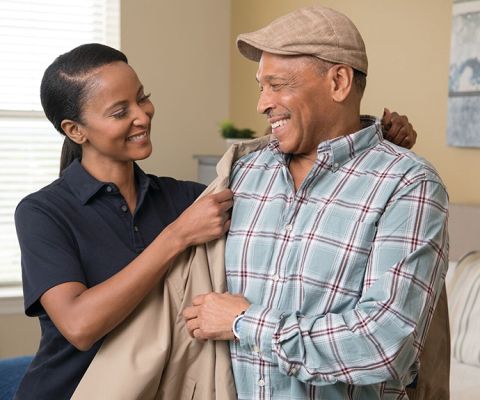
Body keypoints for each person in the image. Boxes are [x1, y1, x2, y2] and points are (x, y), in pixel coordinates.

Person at [183, 5, 448, 399]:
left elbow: (384, 344)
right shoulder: (242, 173)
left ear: (338, 82)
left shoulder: (408, 185)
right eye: (261, 86)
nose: (261, 104)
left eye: (277, 84)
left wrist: (244, 322)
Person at [13, 43, 234, 400]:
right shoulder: (42, 213)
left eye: (142, 98)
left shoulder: (185, 199)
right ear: (75, 130)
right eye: (120, 112)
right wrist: (175, 236)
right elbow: (80, 325)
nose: (143, 116)